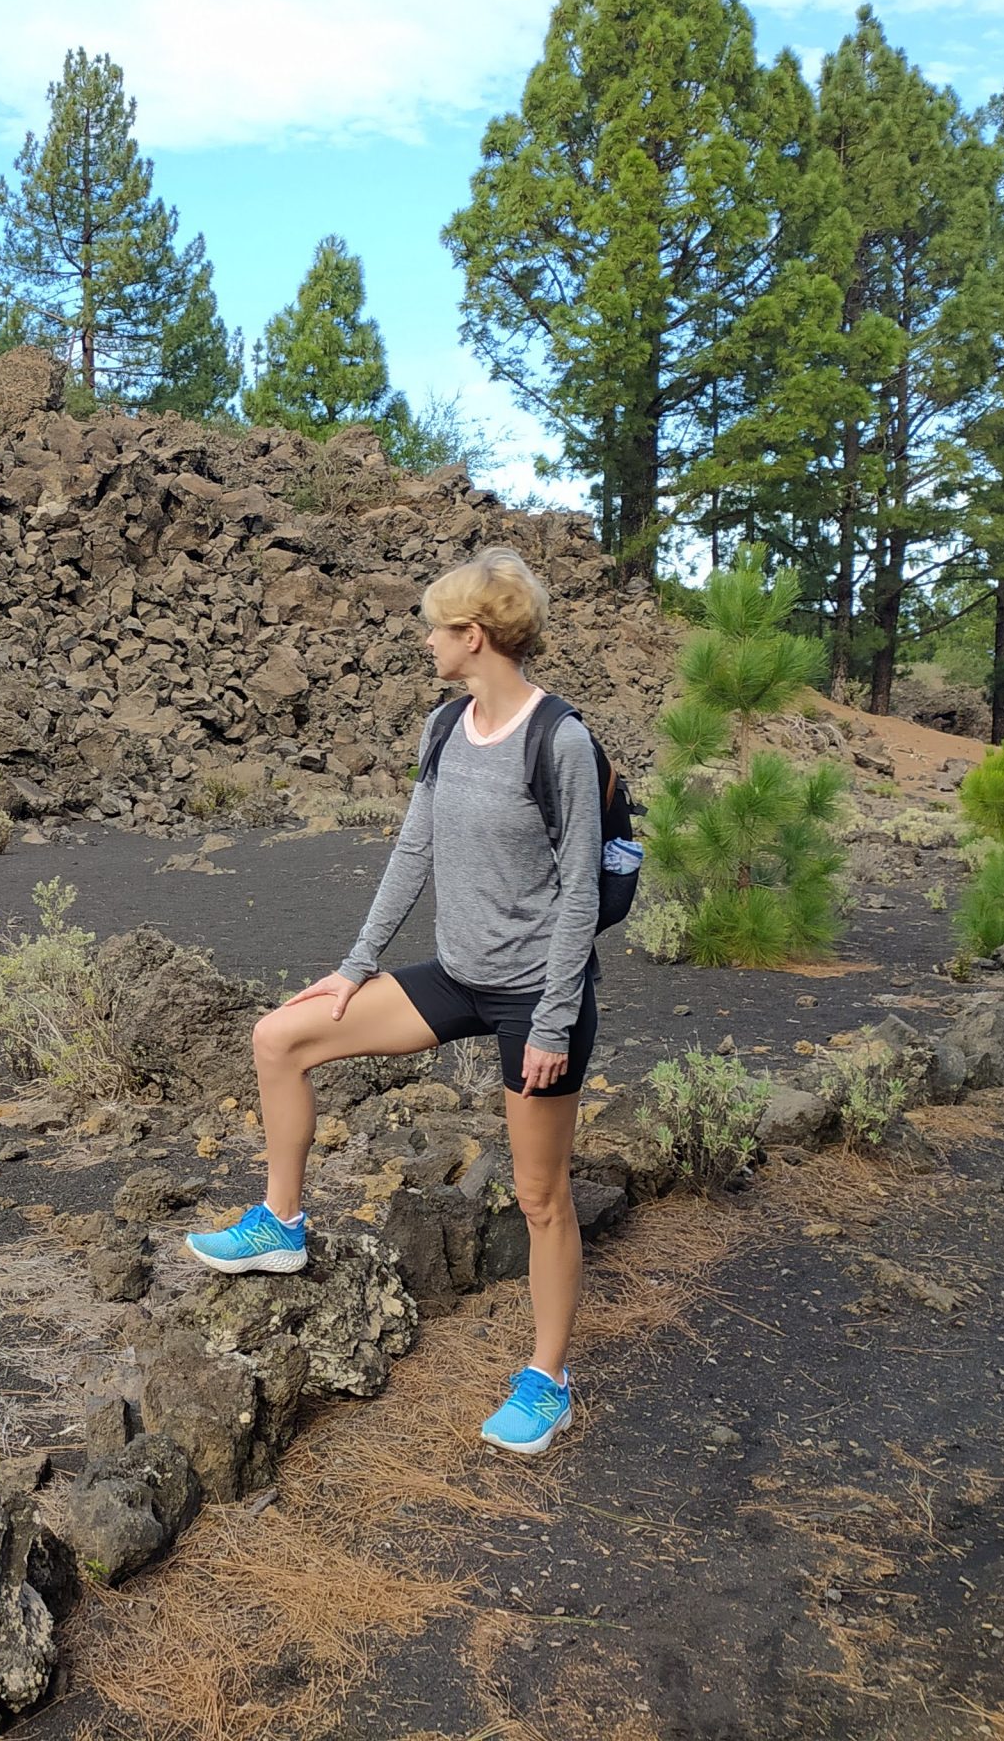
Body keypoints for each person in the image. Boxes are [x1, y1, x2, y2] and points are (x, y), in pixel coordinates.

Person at [184, 545, 601, 1455]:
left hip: (535, 999)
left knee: (541, 1196)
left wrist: (556, 1021)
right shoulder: (444, 728)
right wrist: (355, 966)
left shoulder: (559, 740)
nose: (425, 642)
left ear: (474, 635)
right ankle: (281, 1223)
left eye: (436, 628)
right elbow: (414, 850)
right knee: (280, 1038)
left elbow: (580, 893)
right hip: (456, 976)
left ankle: (548, 1380)